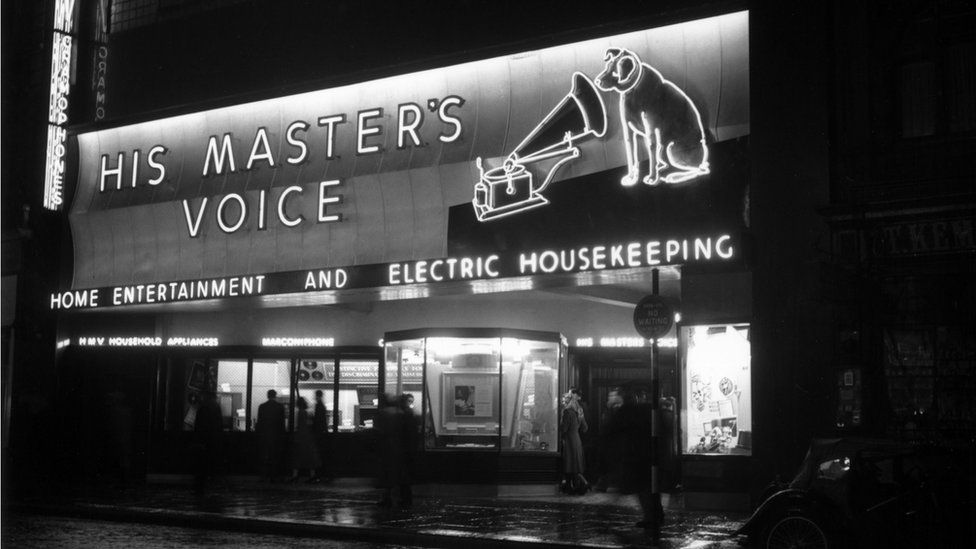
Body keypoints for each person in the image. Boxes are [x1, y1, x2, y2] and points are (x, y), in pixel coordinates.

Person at [608, 384, 662, 535]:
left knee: (642, 487)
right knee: (648, 486)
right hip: (647, 454)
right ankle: (654, 515)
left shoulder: (626, 411)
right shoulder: (648, 410)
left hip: (635, 454)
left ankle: (651, 516)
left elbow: (611, 431)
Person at [374, 393, 407, 507]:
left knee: (386, 472)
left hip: (386, 447)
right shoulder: (400, 413)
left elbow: (377, 430)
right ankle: (398, 496)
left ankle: (387, 496)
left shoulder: (383, 413)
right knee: (397, 472)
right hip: (398, 446)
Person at [559, 387, 589, 494]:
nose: (563, 402)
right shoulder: (579, 411)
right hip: (577, 440)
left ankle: (582, 484)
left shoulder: (567, 412)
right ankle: (572, 487)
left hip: (569, 441)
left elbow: (564, 429)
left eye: (565, 400)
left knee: (570, 465)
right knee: (574, 465)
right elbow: (585, 428)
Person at [193, 390, 223, 493]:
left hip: (204, 438)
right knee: (212, 461)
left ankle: (201, 483)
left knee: (202, 461)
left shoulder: (203, 407)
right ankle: (211, 480)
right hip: (214, 438)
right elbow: (219, 424)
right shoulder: (216, 406)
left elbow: (199, 424)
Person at [594, 387, 623, 492]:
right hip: (608, 442)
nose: (610, 398)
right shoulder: (609, 409)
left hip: (614, 443)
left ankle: (605, 484)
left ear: (618, 397)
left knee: (611, 465)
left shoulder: (618, 410)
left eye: (612, 396)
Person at [287, 397, 322, 483]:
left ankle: (295, 475)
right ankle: (312, 475)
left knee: (297, 457)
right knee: (310, 457)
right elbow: (310, 424)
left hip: (299, 436)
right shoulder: (307, 413)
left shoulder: (298, 413)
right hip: (307, 437)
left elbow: (295, 426)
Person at [256, 389, 285, 482]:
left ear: (267, 396)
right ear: (275, 396)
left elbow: (259, 422)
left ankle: (263, 476)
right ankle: (274, 476)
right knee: (275, 456)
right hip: (276, 436)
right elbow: (282, 423)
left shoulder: (262, 407)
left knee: (264, 456)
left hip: (264, 435)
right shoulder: (280, 407)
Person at [313, 389, 331, 481]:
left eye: (315, 395)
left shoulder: (318, 406)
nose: (314, 397)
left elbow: (318, 420)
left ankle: (319, 475)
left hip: (319, 433)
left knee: (318, 455)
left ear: (317, 396)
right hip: (322, 432)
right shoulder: (322, 405)